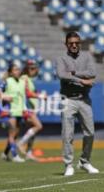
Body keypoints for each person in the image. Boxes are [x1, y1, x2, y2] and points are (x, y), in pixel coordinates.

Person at [55, 31, 99, 176]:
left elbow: (92, 72)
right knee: (67, 134)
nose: (74, 45)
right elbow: (62, 74)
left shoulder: (87, 56)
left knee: (90, 132)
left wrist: (73, 73)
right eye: (71, 43)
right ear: (66, 44)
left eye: (76, 43)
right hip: (68, 99)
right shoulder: (61, 58)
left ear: (80, 43)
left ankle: (84, 161)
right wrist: (82, 79)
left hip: (84, 99)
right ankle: (68, 164)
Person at [17, 60, 46, 160]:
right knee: (38, 126)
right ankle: (21, 143)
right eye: (31, 68)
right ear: (26, 69)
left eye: (35, 68)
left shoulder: (28, 79)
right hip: (26, 108)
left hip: (31, 108)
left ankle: (28, 152)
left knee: (32, 131)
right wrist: (40, 96)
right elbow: (27, 93)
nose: (34, 70)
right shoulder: (24, 78)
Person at [0, 63, 26, 163]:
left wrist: (24, 109)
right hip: (10, 111)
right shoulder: (7, 81)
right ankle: (15, 155)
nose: (17, 71)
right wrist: (4, 97)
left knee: (15, 135)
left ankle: (5, 153)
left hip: (19, 111)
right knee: (11, 134)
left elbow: (23, 97)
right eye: (15, 70)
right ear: (10, 72)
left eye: (18, 69)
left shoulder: (22, 82)